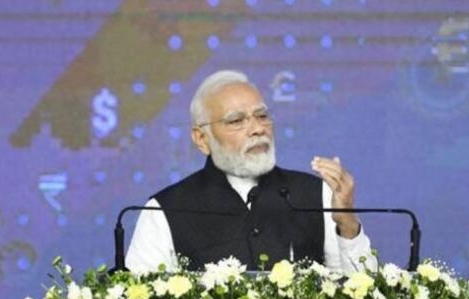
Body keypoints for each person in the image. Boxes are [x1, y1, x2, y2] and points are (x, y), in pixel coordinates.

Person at [125, 70, 377, 273]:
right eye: (236, 121)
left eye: (262, 116)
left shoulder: (316, 193)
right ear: (201, 139)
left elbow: (363, 296)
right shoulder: (164, 209)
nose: (257, 129)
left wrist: (347, 222)